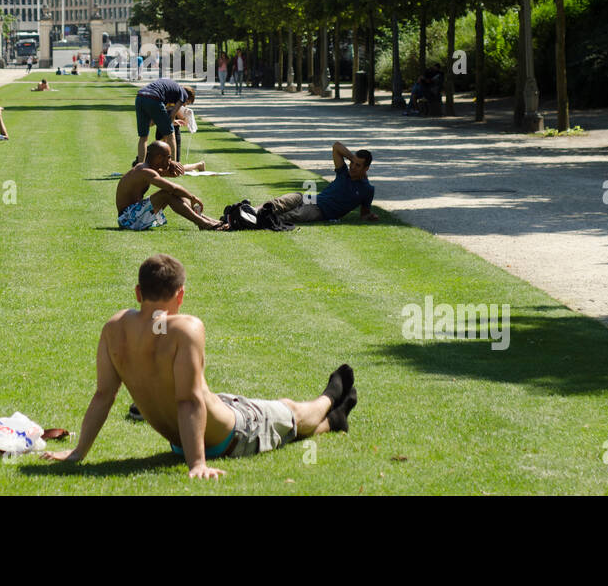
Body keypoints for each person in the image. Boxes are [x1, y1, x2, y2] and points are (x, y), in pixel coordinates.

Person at [40, 254, 357, 478]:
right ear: (181, 295)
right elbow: (188, 400)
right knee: (292, 413)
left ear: (138, 292)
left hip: (190, 434)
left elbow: (103, 396)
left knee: (267, 411)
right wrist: (197, 465)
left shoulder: (114, 327)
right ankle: (330, 400)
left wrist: (78, 452)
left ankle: (335, 418)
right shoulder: (185, 327)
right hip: (234, 434)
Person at [262, 142, 380, 224]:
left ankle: (258, 221)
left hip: (320, 211)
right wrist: (353, 158)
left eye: (358, 165)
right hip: (310, 198)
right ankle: (253, 211)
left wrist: (370, 217)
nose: (353, 167)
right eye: (352, 163)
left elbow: (364, 214)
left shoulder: (368, 190)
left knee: (291, 215)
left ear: (366, 168)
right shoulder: (344, 172)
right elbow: (336, 146)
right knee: (281, 202)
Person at [116, 142, 222, 230]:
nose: (170, 160)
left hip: (131, 216)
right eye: (169, 157)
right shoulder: (146, 172)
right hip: (127, 220)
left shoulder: (144, 168)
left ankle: (206, 221)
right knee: (166, 193)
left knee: (171, 193)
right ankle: (204, 223)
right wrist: (192, 197)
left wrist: (170, 165)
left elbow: (168, 174)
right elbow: (173, 188)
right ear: (159, 157)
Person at [133, 77, 195, 167]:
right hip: (154, 98)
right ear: (188, 98)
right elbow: (173, 114)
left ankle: (139, 168)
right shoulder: (183, 93)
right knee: (171, 134)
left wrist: (169, 122)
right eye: (187, 103)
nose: (185, 105)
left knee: (143, 137)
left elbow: (151, 122)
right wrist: (171, 122)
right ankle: (173, 166)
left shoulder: (170, 92)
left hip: (140, 97)